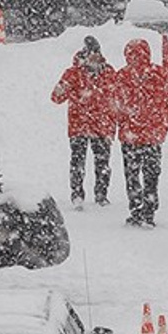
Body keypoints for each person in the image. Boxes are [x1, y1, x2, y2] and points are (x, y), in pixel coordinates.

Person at [113, 32, 168, 227]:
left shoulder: (122, 75)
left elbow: (115, 104)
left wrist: (123, 121)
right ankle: (149, 210)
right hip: (152, 136)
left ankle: (136, 210)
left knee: (132, 175)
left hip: (130, 136)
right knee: (151, 175)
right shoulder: (159, 74)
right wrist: (162, 123)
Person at [50, 35, 117, 207]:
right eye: (92, 54)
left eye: (97, 54)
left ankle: (101, 195)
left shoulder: (109, 72)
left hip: (102, 125)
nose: (95, 58)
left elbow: (118, 97)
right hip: (79, 125)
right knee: (77, 162)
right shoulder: (73, 73)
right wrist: (61, 89)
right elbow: (56, 98)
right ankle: (77, 194)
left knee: (103, 163)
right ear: (85, 54)